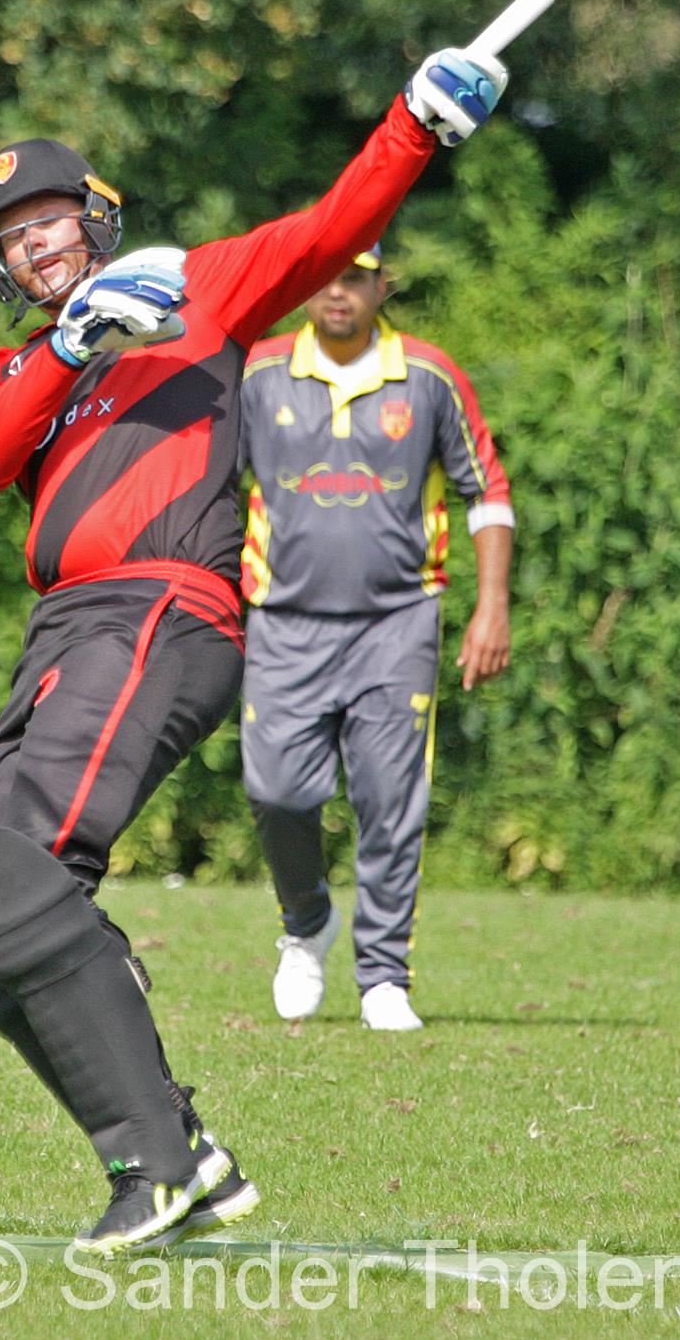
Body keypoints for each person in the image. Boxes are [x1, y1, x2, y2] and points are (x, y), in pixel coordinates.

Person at [0, 45, 508, 1256]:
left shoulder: (197, 292)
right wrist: (70, 346)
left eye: (49, 218)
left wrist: (414, 124)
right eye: (12, 237)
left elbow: (333, 229)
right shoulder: (19, 365)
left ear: (94, 215)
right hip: (65, 629)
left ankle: (153, 1169)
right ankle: (187, 1152)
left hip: (158, 607)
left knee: (24, 867)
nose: (34, 244)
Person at [239, 250, 513, 1032]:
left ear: (381, 285)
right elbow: (209, 489)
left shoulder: (427, 376)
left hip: (398, 621)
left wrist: (492, 605)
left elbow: (486, 490)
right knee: (277, 792)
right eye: (325, 274)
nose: (338, 290)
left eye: (355, 276)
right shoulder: (257, 374)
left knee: (390, 800)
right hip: (283, 621)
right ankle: (305, 924)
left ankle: (383, 976)